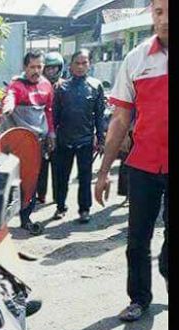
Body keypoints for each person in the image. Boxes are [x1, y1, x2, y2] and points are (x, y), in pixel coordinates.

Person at [94, 0, 168, 322]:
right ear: (152, 14)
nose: (165, 19)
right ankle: (139, 299)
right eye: (160, 11)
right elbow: (120, 119)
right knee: (137, 239)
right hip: (143, 165)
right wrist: (103, 171)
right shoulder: (136, 59)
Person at [0, 50, 56, 235]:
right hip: (16, 144)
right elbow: (10, 96)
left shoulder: (47, 86)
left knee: (31, 181)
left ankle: (25, 218)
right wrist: (8, 105)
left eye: (40, 67)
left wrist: (51, 134)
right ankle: (0, 220)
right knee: (10, 180)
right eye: (32, 67)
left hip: (36, 143)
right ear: (25, 67)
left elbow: (49, 111)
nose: (36, 71)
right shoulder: (17, 85)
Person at [52, 49, 106, 224]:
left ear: (89, 65)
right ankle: (60, 206)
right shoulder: (61, 88)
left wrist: (102, 139)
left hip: (86, 140)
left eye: (84, 63)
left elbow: (99, 115)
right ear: (71, 65)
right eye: (77, 63)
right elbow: (55, 117)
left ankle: (84, 209)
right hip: (64, 140)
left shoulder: (96, 86)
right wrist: (52, 137)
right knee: (62, 176)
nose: (81, 66)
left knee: (85, 177)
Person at [37, 52, 66, 204]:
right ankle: (40, 195)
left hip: (59, 134)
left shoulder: (64, 86)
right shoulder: (38, 86)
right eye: (48, 69)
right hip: (42, 132)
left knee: (58, 168)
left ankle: (58, 199)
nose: (51, 72)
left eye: (54, 68)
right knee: (41, 167)